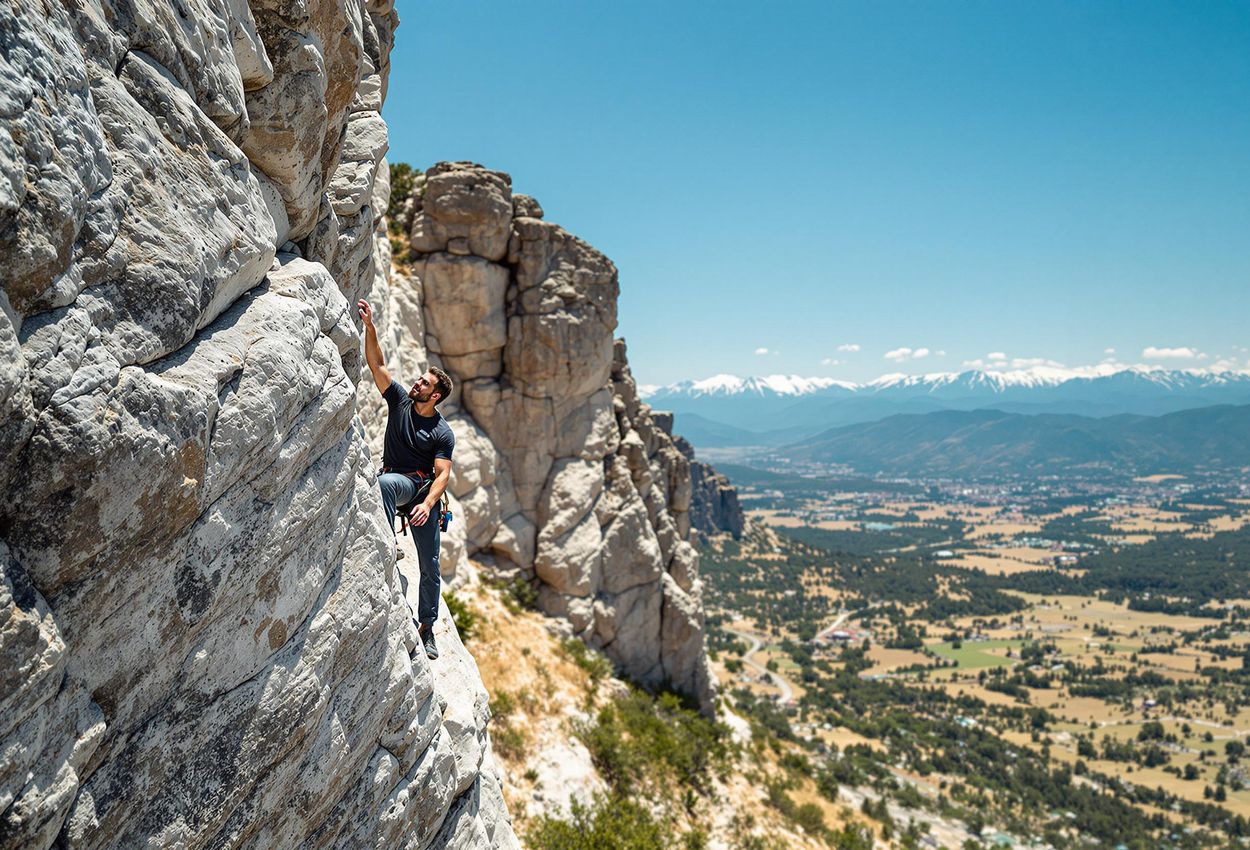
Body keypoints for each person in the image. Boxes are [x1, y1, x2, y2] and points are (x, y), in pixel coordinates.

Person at [358, 298, 454, 660]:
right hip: (395, 481)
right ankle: (384, 552)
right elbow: (377, 364)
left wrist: (428, 505)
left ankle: (427, 628)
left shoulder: (442, 432)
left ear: (436, 396)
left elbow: (443, 474)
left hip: (421, 490)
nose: (416, 383)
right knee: (384, 485)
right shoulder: (399, 399)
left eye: (424, 383)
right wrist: (371, 328)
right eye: (419, 380)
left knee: (430, 565)